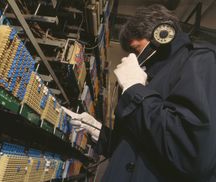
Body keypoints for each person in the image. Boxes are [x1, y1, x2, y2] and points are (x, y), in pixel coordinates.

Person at [63, 4, 216, 181]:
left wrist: (134, 89)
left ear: (162, 34)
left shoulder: (201, 61)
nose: (135, 59)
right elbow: (141, 148)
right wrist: (98, 131)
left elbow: (191, 153)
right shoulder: (155, 78)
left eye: (137, 49)